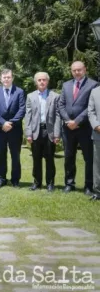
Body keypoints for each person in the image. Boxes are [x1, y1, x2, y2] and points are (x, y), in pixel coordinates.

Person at [58, 61, 98, 195]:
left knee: (88, 157)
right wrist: (68, 120)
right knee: (69, 156)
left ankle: (88, 186)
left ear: (85, 70)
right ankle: (69, 183)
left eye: (79, 70)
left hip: (85, 128)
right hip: (68, 128)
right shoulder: (66, 85)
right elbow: (61, 105)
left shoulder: (93, 85)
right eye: (74, 70)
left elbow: (91, 107)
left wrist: (77, 121)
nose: (77, 72)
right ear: (71, 71)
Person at [25, 72, 61, 192]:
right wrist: (28, 133)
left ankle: (50, 183)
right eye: (39, 80)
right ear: (36, 82)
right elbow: (28, 116)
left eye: (44, 80)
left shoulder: (55, 96)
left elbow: (58, 116)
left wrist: (57, 134)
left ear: (47, 81)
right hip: (36, 132)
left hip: (49, 132)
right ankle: (37, 183)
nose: (41, 82)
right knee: (36, 158)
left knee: (50, 158)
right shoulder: (30, 96)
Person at [0, 68, 26, 188]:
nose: (6, 79)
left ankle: (15, 180)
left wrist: (10, 123)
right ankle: (2, 179)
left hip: (14, 130)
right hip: (0, 129)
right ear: (1, 79)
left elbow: (22, 110)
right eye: (4, 77)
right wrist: (2, 123)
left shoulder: (19, 92)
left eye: (8, 77)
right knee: (1, 155)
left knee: (15, 156)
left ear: (12, 78)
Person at [87, 85, 100, 201]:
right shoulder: (95, 92)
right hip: (98, 133)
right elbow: (90, 112)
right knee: (98, 164)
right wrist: (96, 126)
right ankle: (97, 192)